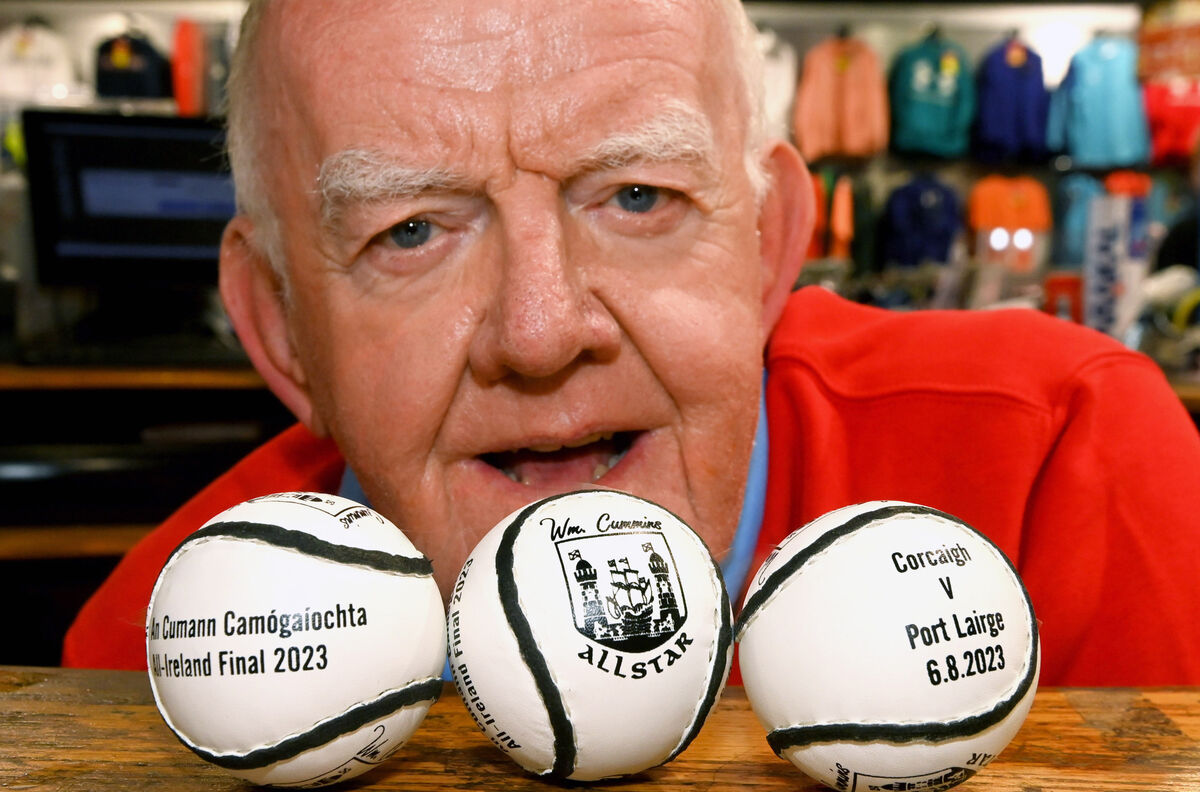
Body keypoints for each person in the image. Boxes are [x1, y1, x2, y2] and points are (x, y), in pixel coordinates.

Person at [65, 0, 1200, 686]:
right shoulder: (158, 663)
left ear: (766, 251)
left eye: (640, 199)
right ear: (281, 332)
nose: (543, 330)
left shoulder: (1056, 472)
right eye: (411, 229)